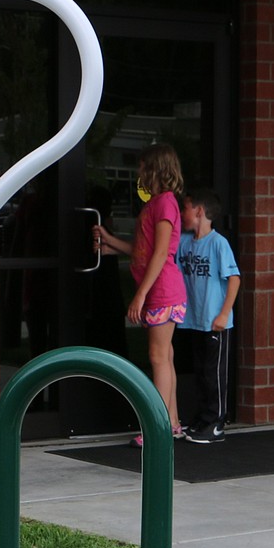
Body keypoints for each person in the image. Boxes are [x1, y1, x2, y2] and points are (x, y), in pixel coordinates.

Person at [94, 144, 187, 447]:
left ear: (155, 169)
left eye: (143, 166)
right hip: (163, 290)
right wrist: (110, 243)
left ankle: (157, 428)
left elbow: (161, 253)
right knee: (166, 356)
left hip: (162, 291)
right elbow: (144, 252)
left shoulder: (165, 204)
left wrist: (140, 295)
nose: (138, 172)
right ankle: (171, 423)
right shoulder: (158, 204)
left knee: (158, 357)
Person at [178, 188, 241, 444]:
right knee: (200, 371)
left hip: (215, 321)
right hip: (195, 319)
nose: (183, 213)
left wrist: (224, 314)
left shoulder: (218, 244)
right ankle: (203, 417)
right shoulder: (184, 241)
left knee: (214, 373)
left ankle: (216, 422)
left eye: (186, 208)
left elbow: (234, 279)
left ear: (200, 211)